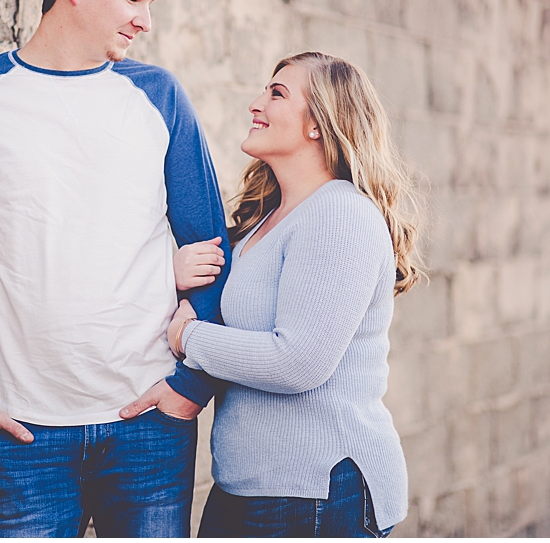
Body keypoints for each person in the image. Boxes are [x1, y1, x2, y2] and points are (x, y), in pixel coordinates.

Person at [0, 0, 231, 537]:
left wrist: (188, 388)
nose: (145, 21)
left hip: (147, 422)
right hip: (18, 431)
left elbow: (212, 248)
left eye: (150, 2)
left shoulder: (159, 97)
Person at [158, 51, 422, 537]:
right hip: (252, 486)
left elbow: (298, 361)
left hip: (319, 491)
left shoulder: (340, 215)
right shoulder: (267, 219)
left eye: (276, 93)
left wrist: (189, 339)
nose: (256, 104)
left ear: (319, 124)